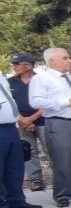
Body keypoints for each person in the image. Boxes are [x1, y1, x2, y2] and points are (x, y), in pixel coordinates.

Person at [28, 48, 71, 207]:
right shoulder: (41, 79)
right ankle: (62, 194)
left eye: (69, 57)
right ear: (52, 61)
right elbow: (36, 102)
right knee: (62, 160)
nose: (69, 60)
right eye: (65, 58)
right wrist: (67, 102)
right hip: (60, 123)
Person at [0, 74, 44, 208]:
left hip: (10, 127)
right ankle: (1, 206)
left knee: (15, 167)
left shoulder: (1, 77)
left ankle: (16, 201)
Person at [8, 54, 46, 192]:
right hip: (23, 122)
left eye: (17, 64)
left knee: (51, 150)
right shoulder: (10, 82)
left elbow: (48, 101)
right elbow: (9, 103)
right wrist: (22, 119)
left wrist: (32, 118)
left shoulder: (42, 80)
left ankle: (61, 179)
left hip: (44, 121)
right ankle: (36, 180)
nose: (14, 67)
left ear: (28, 65)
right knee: (29, 151)